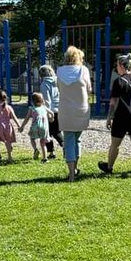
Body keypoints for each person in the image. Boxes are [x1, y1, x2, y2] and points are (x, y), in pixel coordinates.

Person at [99, 53, 131, 177]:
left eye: (117, 65)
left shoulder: (118, 81)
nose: (116, 68)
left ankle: (109, 167)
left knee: (115, 144)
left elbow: (114, 102)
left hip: (121, 117)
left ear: (121, 65)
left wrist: (109, 117)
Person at [56, 46, 92, 182]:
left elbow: (59, 88)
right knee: (77, 139)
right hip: (81, 109)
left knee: (69, 140)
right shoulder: (84, 70)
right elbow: (89, 89)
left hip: (65, 110)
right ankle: (75, 169)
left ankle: (71, 173)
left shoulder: (59, 71)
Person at [19, 91, 51, 160]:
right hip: (44, 127)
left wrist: (22, 126)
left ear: (32, 101)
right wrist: (52, 118)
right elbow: (51, 113)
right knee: (43, 143)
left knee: (32, 138)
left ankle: (35, 149)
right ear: (42, 100)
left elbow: (27, 118)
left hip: (35, 126)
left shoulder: (32, 109)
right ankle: (45, 158)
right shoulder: (44, 107)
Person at [39, 65, 61, 157]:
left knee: (49, 132)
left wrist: (47, 112)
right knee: (55, 131)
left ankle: (62, 146)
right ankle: (52, 152)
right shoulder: (57, 81)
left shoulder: (45, 84)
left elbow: (47, 99)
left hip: (50, 110)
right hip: (59, 108)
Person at [0, 90, 18, 162]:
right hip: (8, 126)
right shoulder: (9, 107)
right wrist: (19, 125)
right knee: (8, 141)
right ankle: (10, 157)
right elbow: (14, 117)